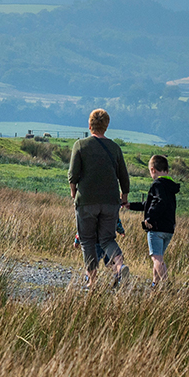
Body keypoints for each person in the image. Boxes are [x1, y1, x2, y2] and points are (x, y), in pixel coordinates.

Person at [68, 108, 130, 288]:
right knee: (107, 239)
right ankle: (120, 266)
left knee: (87, 240)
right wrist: (124, 196)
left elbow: (73, 174)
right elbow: (123, 176)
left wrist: (74, 192)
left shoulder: (80, 145)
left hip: (86, 200)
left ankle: (92, 280)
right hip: (111, 201)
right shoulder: (115, 148)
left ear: (89, 125)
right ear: (107, 126)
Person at [126, 153, 181, 287]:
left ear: (152, 170)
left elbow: (158, 203)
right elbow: (150, 204)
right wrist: (131, 205)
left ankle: (166, 285)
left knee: (156, 258)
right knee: (159, 257)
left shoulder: (157, 184)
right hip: (169, 228)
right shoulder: (170, 187)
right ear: (167, 170)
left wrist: (149, 218)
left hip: (156, 227)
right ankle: (155, 284)